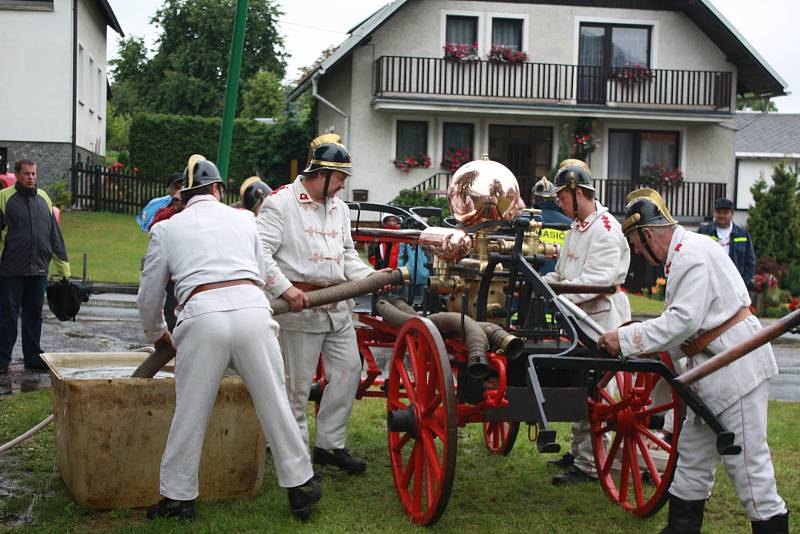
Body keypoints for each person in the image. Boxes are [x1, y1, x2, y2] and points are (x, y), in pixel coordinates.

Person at [137, 155, 320, 520]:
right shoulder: (245, 219)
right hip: (252, 311)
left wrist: (158, 333)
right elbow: (259, 271)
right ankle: (301, 486)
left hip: (202, 315)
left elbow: (149, 295)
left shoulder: (167, 229)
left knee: (190, 410)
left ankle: (178, 498)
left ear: (185, 196)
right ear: (219, 189)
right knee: (275, 403)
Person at [597, 189, 788, 534]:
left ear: (649, 234)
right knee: (691, 464)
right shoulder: (687, 253)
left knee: (750, 470)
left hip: (736, 371)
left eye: (639, 246)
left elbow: (681, 323)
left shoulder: (690, 256)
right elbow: (685, 329)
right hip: (710, 373)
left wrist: (623, 338)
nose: (640, 253)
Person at [256, 134, 378, 474]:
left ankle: (329, 445)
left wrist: (373, 277)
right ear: (320, 174)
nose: (343, 185)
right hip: (298, 308)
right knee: (296, 387)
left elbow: (348, 256)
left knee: (348, 372)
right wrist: (283, 288)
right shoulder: (279, 204)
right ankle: (295, 462)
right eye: (339, 178)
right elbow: (260, 253)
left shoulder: (339, 207)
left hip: (337, 308)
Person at [541, 159, 631, 485]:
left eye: (562, 197)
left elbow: (597, 282)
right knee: (581, 386)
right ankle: (579, 452)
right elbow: (564, 274)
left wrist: (556, 295)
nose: (559, 203)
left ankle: (591, 464)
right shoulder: (577, 229)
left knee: (595, 393)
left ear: (578, 192)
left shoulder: (606, 231)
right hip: (580, 320)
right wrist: (542, 283)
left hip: (602, 322)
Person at [0, 160, 70, 374]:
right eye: (26, 174)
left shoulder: (45, 199)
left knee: (34, 314)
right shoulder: (4, 198)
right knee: (7, 315)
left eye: (34, 174)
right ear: (17, 175)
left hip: (38, 269)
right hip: (10, 269)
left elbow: (54, 236)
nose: (31, 177)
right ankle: (2, 358)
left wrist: (64, 269)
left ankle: (32, 357)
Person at [697, 197, 756, 289]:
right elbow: (696, 256)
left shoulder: (743, 234)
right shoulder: (704, 232)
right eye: (719, 212)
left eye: (725, 213)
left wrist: (743, 282)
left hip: (734, 285)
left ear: (732, 214)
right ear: (714, 213)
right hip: (709, 284)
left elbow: (750, 262)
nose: (721, 215)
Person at [531, 176, 572, 275]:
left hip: (531, 280)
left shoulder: (527, 221)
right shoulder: (569, 224)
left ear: (534, 199)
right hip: (561, 282)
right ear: (555, 199)